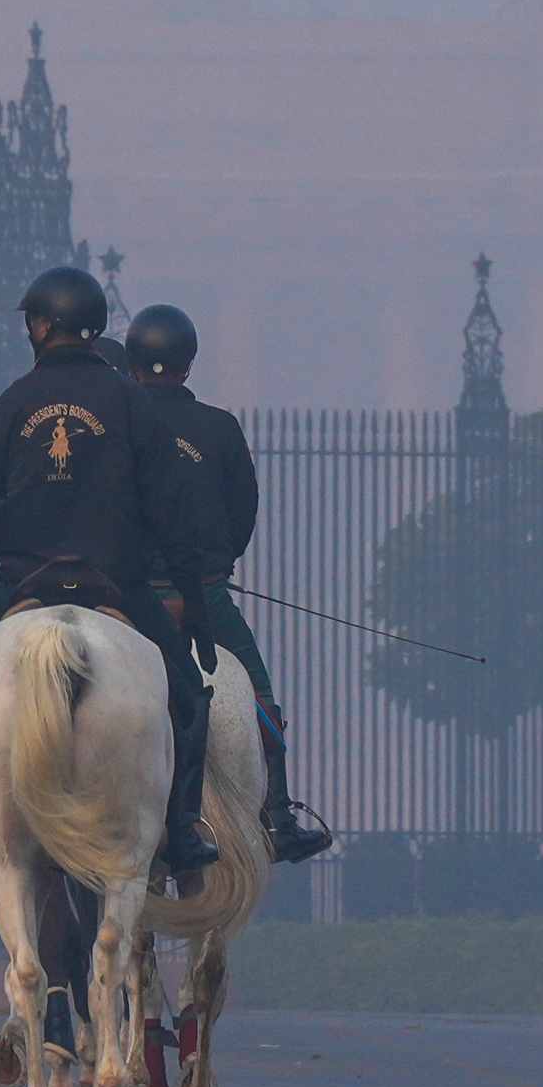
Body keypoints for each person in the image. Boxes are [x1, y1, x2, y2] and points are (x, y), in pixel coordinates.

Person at [0, 263, 221, 883]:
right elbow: (169, 505)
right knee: (187, 697)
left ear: (45, 326)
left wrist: (21, 543)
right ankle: (182, 828)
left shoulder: (13, 400)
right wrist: (192, 599)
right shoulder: (131, 402)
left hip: (27, 583)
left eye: (33, 319)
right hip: (117, 582)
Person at [121, 304, 334, 865]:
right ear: (189, 364)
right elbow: (244, 510)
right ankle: (280, 815)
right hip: (203, 596)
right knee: (259, 696)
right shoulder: (218, 428)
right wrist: (216, 568)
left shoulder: (116, 423)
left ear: (131, 361)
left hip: (125, 594)